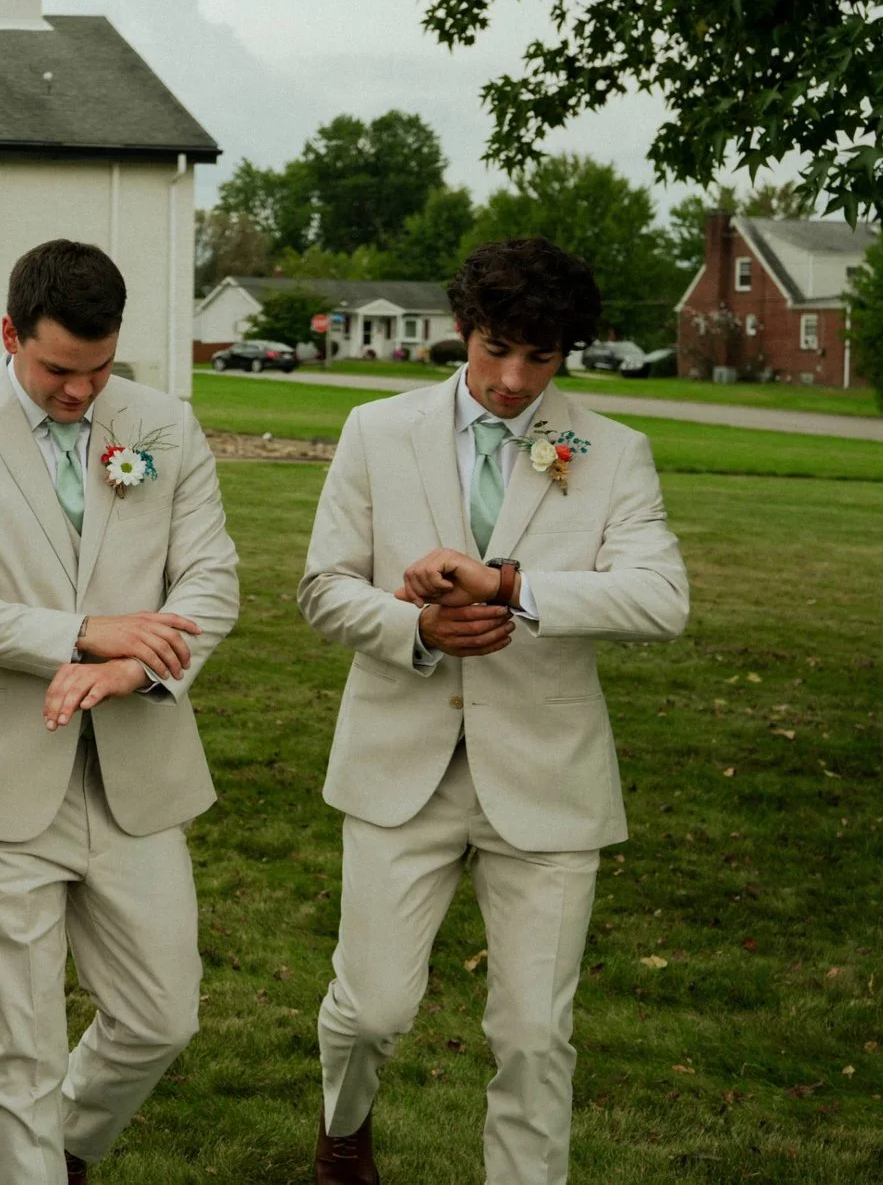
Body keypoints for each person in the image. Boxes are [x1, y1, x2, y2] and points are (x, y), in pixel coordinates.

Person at [300, 237, 689, 1185]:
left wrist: (513, 583)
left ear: (568, 353)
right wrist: (419, 627)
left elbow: (661, 601)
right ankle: (344, 1122)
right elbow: (322, 591)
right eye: (495, 349)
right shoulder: (375, 431)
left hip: (548, 779)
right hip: (398, 764)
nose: (513, 380)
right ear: (462, 331)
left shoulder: (614, 453)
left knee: (533, 1034)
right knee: (375, 1009)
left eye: (540, 358)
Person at [0, 239, 239, 1183]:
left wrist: (136, 670)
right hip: (0, 776)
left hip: (141, 770)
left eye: (99, 368)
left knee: (162, 1017)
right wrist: (88, 635)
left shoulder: (165, 425)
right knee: (23, 1044)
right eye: (57, 369)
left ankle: (67, 1149)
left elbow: (210, 577)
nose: (81, 391)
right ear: (8, 333)